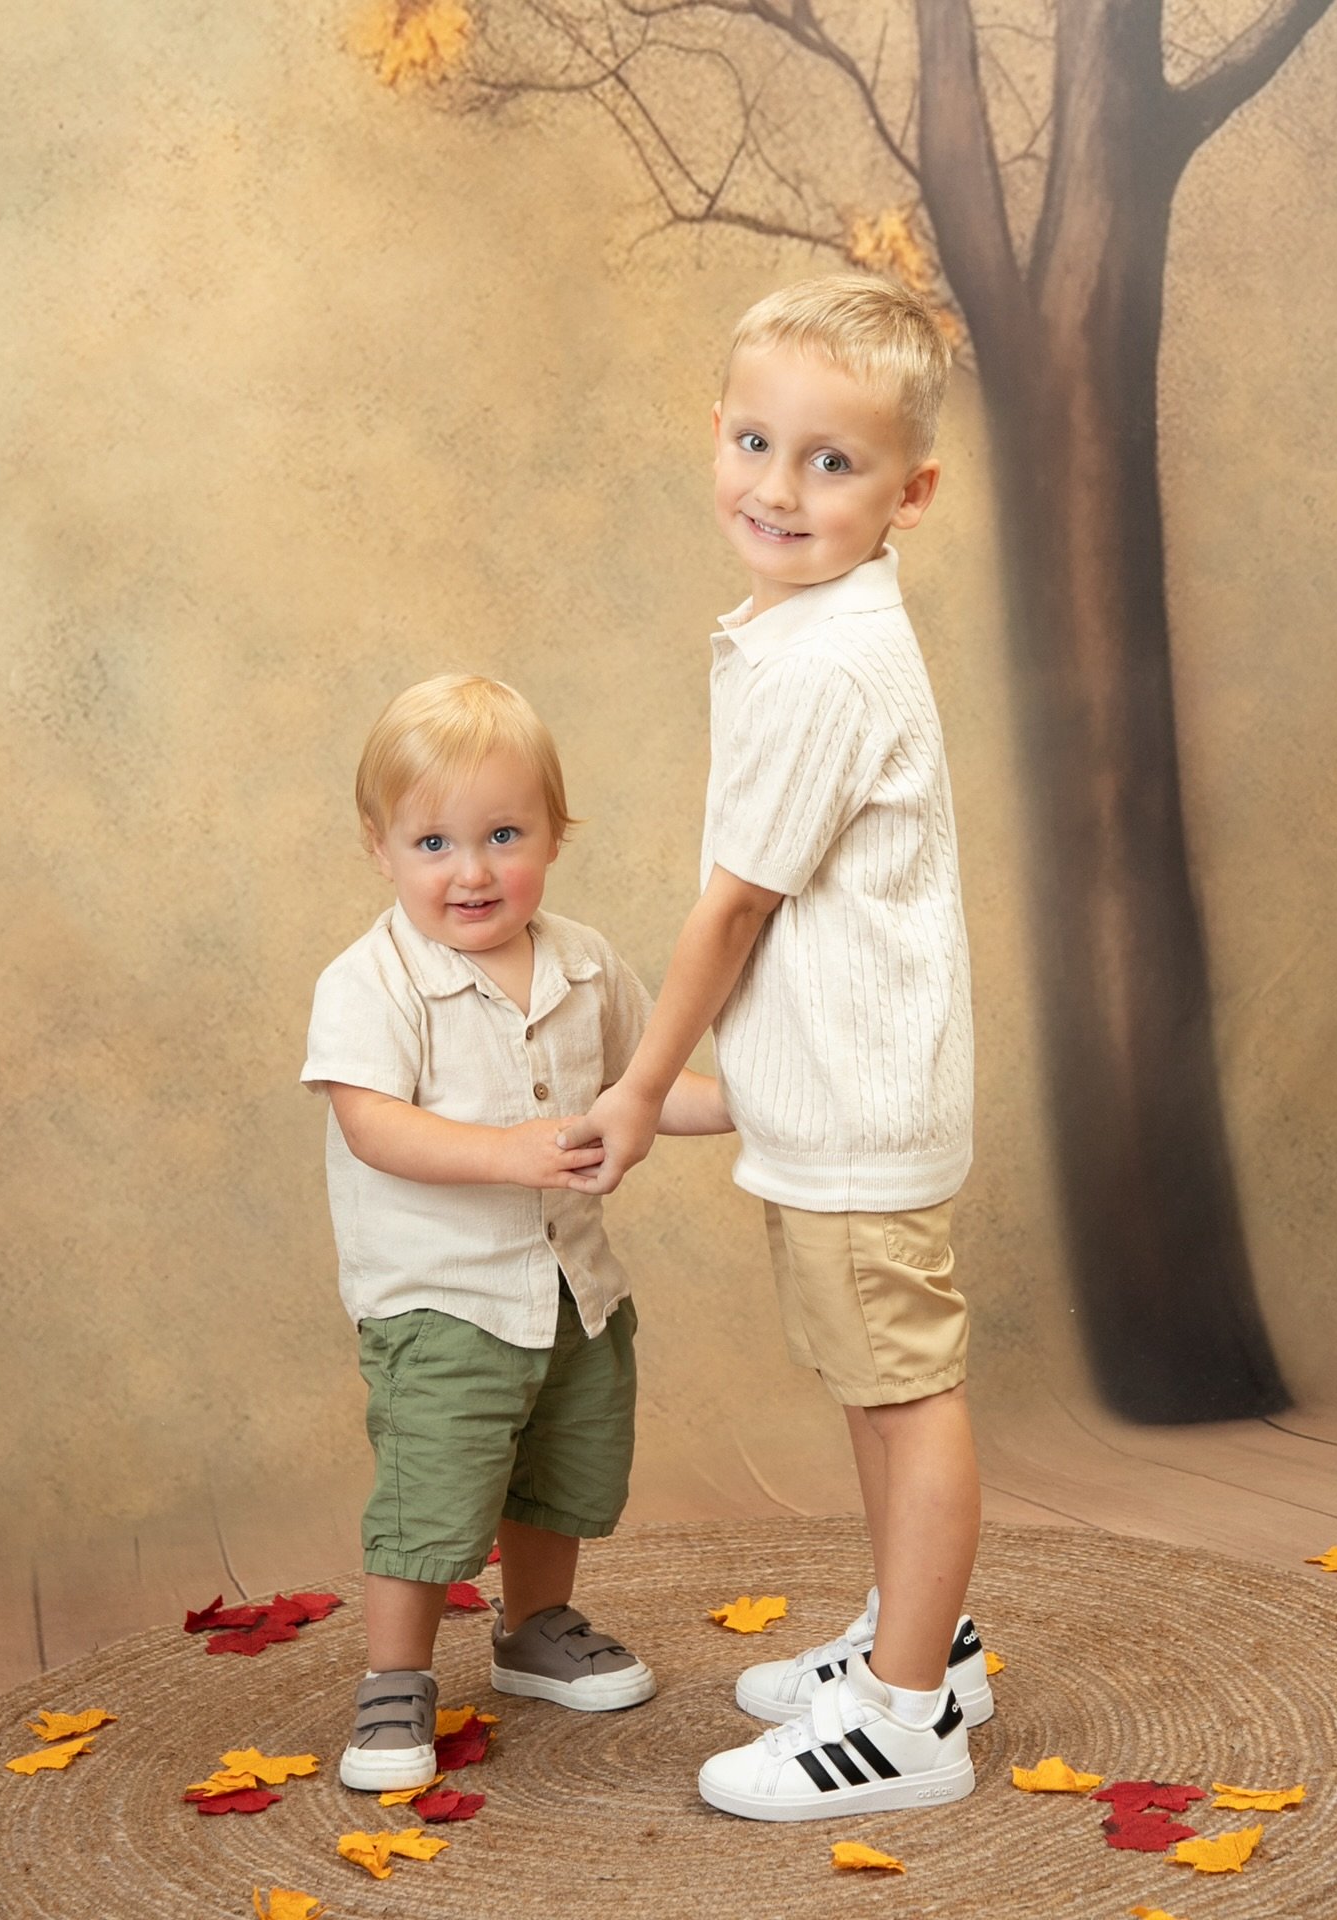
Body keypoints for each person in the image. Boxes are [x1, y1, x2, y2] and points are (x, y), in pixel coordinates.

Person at [558, 275, 989, 1820]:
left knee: (900, 1393)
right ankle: (917, 1636)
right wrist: (727, 1093)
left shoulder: (820, 664)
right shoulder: (800, 624)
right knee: (875, 1385)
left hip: (865, 1112)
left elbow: (731, 912)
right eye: (755, 440)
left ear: (909, 493)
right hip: (835, 1090)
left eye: (832, 461)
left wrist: (635, 1086)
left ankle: (911, 1714)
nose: (778, 486)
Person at [302, 673, 730, 1792]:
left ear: (554, 832)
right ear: (380, 848)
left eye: (504, 834)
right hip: (441, 1296)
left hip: (570, 1284)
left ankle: (536, 1625)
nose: (473, 869)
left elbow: (648, 1084)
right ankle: (395, 1676)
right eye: (434, 841)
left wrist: (742, 1099)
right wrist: (508, 1154)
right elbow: (372, 1125)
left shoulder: (585, 962)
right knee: (432, 1488)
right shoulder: (372, 980)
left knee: (560, 1466)